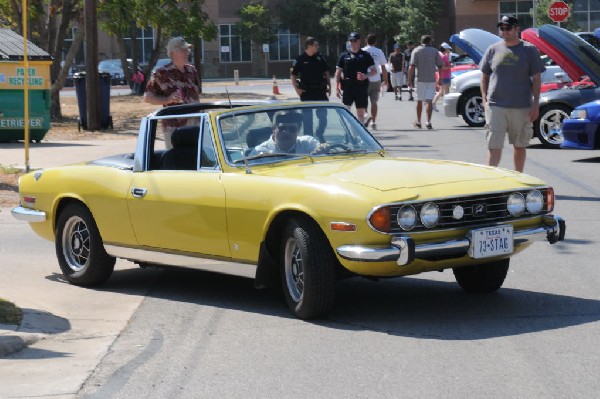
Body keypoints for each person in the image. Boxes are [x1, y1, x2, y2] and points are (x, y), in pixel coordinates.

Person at [480, 15, 544, 173]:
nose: (504, 31)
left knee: (519, 146)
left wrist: (536, 104)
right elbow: (484, 76)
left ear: (517, 29)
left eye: (508, 28)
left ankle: (518, 179)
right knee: (494, 146)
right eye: (502, 28)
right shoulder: (493, 49)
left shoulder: (529, 50)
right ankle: (490, 182)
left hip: (521, 106)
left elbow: (536, 78)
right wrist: (484, 100)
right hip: (496, 106)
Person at [144, 36, 200, 149]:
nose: (187, 52)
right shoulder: (161, 73)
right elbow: (147, 97)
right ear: (173, 53)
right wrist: (167, 99)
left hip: (195, 123)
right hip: (174, 126)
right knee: (176, 160)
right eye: (183, 50)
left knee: (196, 159)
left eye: (187, 50)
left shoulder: (192, 70)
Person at [290, 37, 330, 141]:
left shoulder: (320, 58)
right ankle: (309, 139)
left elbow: (326, 72)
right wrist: (296, 89)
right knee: (307, 119)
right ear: (309, 46)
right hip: (306, 92)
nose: (317, 47)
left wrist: (329, 86)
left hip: (320, 92)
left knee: (323, 116)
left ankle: (320, 132)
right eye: (316, 45)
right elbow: (293, 75)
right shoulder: (300, 59)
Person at [335, 32, 376, 125]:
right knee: (346, 111)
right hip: (348, 87)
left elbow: (374, 71)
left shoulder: (365, 55)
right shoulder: (344, 55)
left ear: (359, 41)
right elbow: (338, 73)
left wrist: (365, 75)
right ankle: (348, 134)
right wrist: (337, 88)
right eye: (351, 41)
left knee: (360, 113)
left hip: (360, 87)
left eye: (355, 40)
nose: (353, 42)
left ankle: (361, 134)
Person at [251, 110, 329, 155]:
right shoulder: (260, 152)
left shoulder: (307, 143)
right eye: (282, 128)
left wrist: (322, 148)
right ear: (274, 129)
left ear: (298, 130)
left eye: (292, 129)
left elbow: (320, 150)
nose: (287, 132)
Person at [407, 35, 443, 129]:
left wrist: (409, 79)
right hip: (431, 79)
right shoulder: (434, 51)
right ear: (430, 41)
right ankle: (428, 122)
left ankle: (418, 121)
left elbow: (412, 66)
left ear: (421, 41)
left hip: (419, 79)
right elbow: (440, 65)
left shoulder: (416, 50)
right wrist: (440, 78)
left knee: (419, 100)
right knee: (429, 101)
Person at [362, 33, 388, 130]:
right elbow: (383, 67)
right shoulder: (379, 51)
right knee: (374, 102)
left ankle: (366, 114)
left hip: (365, 79)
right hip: (376, 79)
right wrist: (385, 80)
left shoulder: (363, 51)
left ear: (366, 41)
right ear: (376, 42)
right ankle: (373, 122)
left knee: (363, 100)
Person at [432, 42, 453, 111]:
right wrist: (450, 66)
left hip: (443, 76)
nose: (449, 50)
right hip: (445, 76)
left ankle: (437, 104)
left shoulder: (441, 55)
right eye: (448, 49)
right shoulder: (443, 56)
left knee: (443, 92)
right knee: (444, 92)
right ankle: (436, 104)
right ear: (445, 49)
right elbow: (443, 67)